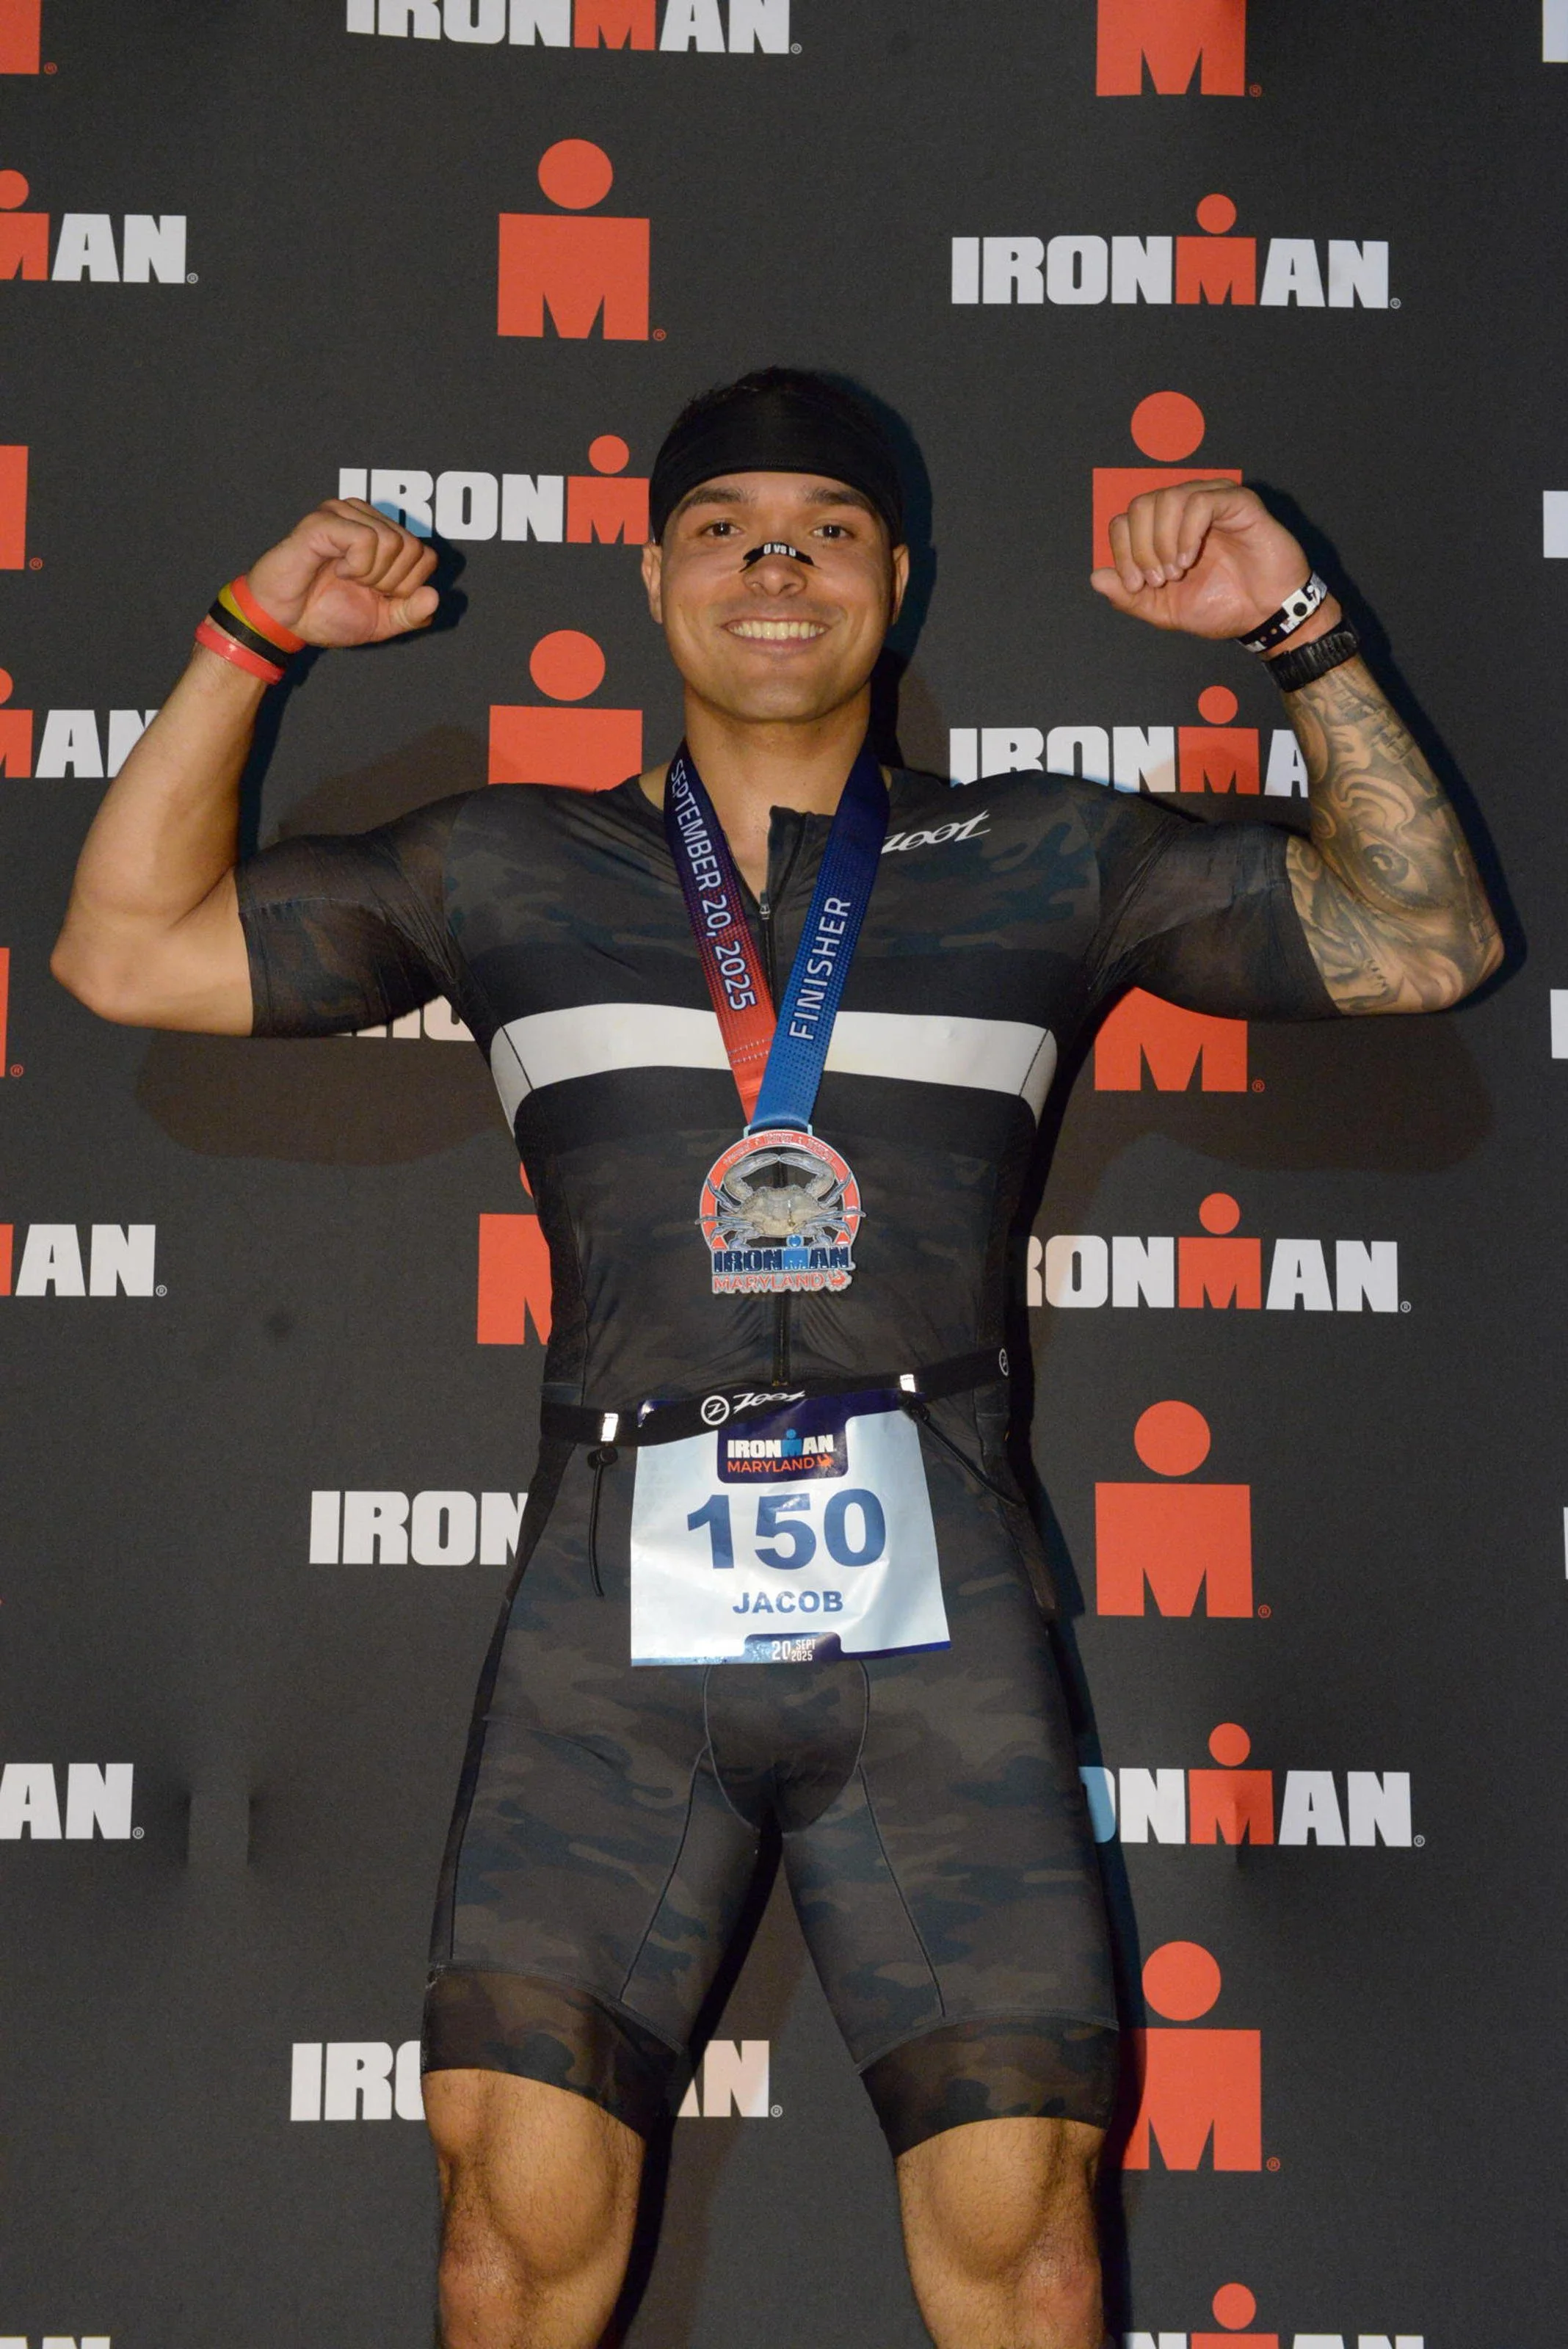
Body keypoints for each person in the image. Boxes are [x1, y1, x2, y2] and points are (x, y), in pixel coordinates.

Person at [52, 370, 1500, 2349]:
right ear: (656, 582)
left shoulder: (1041, 855)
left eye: (827, 530)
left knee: (1032, 2244)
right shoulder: (506, 867)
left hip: (937, 1605)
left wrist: (1298, 628)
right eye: (724, 528)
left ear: (894, 582)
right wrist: (248, 638)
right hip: (613, 1602)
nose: (775, 564)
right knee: (508, 2231)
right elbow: (124, 952)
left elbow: (1425, 939)